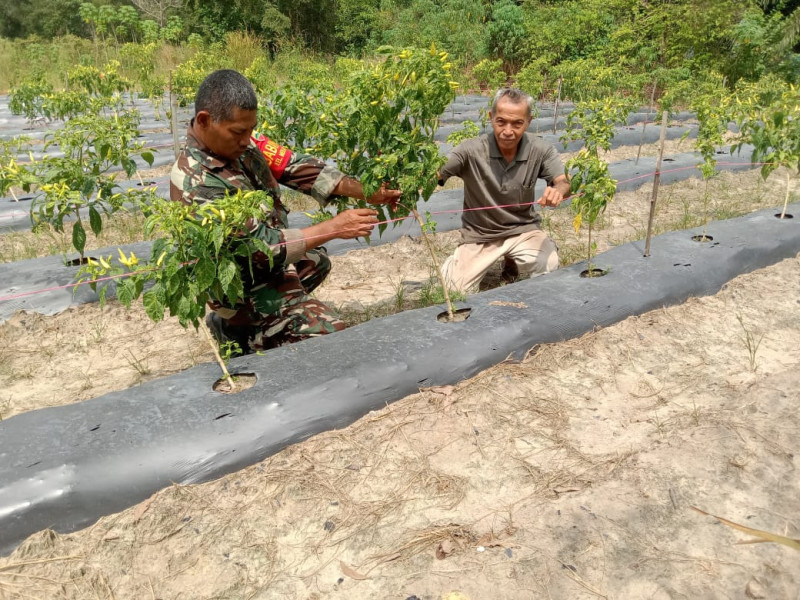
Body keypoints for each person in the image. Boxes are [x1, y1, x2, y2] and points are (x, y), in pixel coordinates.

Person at [170, 69, 400, 352]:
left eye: (251, 130)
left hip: (263, 267)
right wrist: (333, 228)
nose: (247, 140)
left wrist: (365, 190)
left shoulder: (243, 145)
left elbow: (295, 166)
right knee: (329, 336)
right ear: (205, 121)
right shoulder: (197, 181)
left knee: (316, 260)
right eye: (239, 132)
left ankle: (255, 324)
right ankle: (243, 326)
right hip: (239, 284)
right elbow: (258, 248)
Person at [438, 87, 570, 292]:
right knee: (455, 289)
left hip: (522, 230)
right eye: (501, 122)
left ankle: (514, 262)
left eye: (517, 123)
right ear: (491, 118)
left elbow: (563, 182)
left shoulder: (541, 150)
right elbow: (436, 174)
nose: (508, 131)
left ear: (529, 121)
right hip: (480, 234)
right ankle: (457, 264)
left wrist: (558, 191)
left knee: (548, 265)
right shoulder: (470, 150)